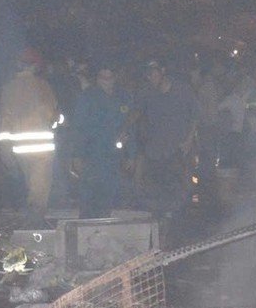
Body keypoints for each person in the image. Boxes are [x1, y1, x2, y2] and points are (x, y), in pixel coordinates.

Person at [0, 48, 60, 215]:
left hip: (20, 150)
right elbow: (53, 115)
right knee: (39, 192)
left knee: (30, 186)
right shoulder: (43, 87)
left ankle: (32, 220)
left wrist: (5, 153)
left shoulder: (8, 89)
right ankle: (36, 227)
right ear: (35, 66)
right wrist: (58, 121)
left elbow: (4, 124)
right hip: (42, 150)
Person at [133, 59, 195, 213]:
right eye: (148, 74)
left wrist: (189, 140)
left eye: (153, 72)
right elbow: (136, 112)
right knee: (158, 192)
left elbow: (195, 116)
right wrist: (124, 130)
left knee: (181, 190)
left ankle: (181, 223)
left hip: (178, 149)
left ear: (162, 70)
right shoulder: (146, 92)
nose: (151, 77)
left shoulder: (182, 90)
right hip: (155, 151)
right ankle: (162, 224)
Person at [69, 64, 129, 217]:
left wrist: (131, 154)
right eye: (103, 78)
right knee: (89, 199)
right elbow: (78, 128)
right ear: (97, 79)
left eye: (110, 78)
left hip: (114, 158)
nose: (107, 82)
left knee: (110, 199)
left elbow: (129, 126)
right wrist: (77, 155)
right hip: (91, 157)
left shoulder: (123, 97)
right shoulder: (87, 97)